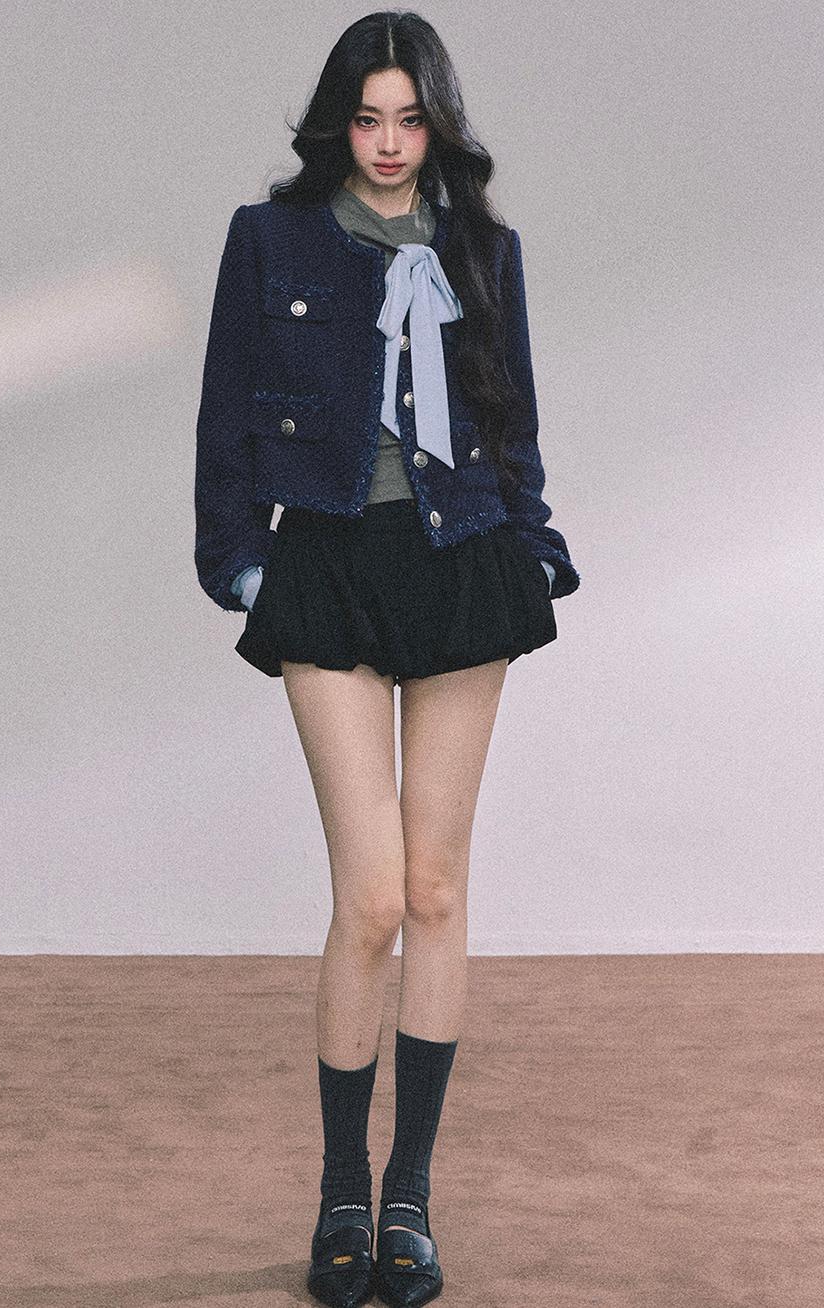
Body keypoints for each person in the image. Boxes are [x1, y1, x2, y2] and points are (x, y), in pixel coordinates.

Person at [194, 12, 581, 1306]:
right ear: (338, 125)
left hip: (461, 558)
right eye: (368, 119)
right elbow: (225, 414)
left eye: (411, 120)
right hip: (327, 565)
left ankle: (408, 1195)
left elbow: (512, 416)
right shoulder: (273, 239)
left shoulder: (483, 249)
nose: (390, 143)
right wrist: (242, 565)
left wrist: (535, 546)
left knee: (433, 888)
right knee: (367, 895)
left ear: (438, 127)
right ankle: (339, 1192)